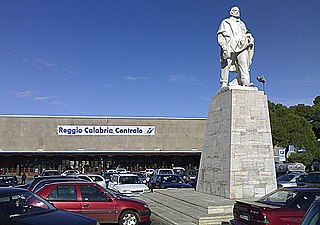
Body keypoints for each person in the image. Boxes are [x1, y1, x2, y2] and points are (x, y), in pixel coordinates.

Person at [217, 6, 254, 89]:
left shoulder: (242, 24)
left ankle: (245, 82)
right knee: (226, 66)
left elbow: (246, 33)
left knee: (244, 64)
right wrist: (224, 47)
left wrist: (249, 38)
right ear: (231, 12)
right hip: (229, 46)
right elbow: (220, 36)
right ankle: (224, 83)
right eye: (235, 10)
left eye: (238, 11)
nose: (237, 12)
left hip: (241, 46)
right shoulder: (225, 22)